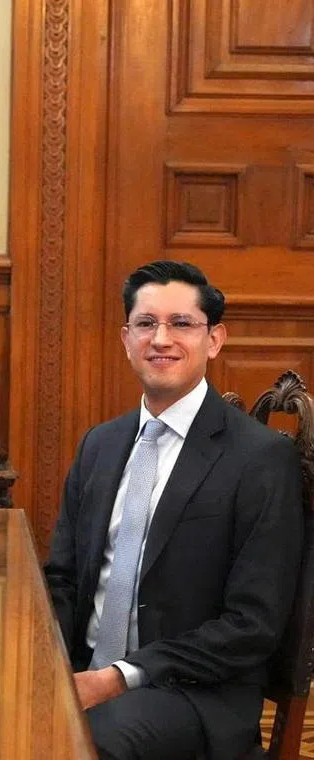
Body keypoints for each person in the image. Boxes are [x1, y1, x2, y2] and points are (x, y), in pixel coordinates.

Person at [43, 260, 304, 760]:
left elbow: (252, 624)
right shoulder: (100, 445)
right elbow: (63, 578)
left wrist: (117, 679)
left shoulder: (260, 458)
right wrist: (42, 663)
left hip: (195, 693)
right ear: (126, 338)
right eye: (146, 324)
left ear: (214, 339)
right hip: (83, 671)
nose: (161, 338)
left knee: (83, 742)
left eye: (181, 324)